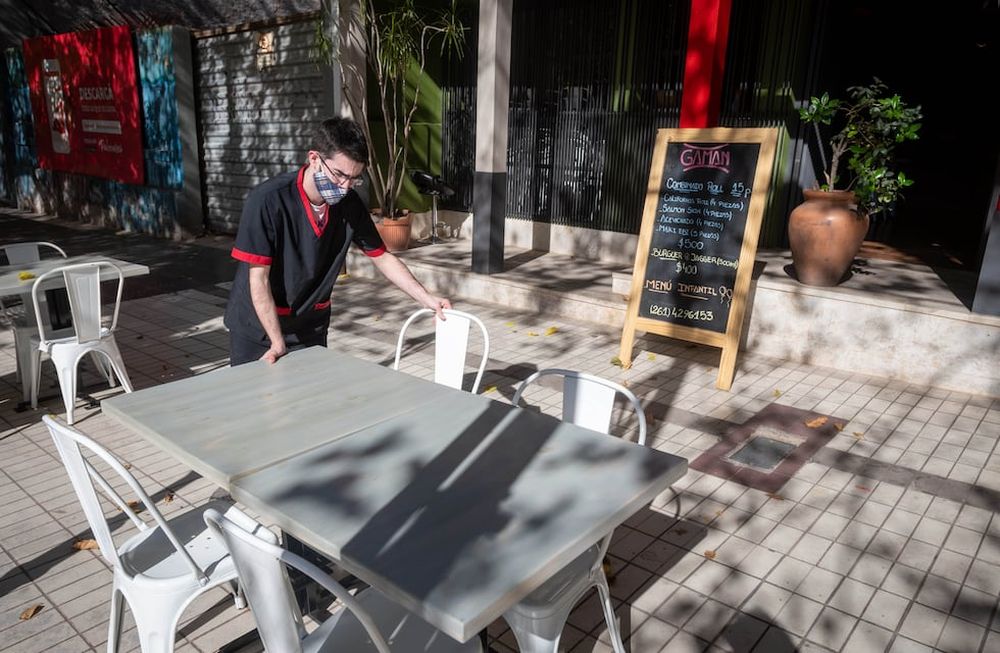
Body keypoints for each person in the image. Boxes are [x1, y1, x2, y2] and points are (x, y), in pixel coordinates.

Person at [224, 116, 451, 366]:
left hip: (310, 325)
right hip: (259, 328)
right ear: (314, 159)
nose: (344, 187)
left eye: (354, 179)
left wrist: (427, 298)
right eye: (339, 175)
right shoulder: (268, 200)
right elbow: (258, 278)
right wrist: (277, 342)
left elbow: (382, 257)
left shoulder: (349, 203)